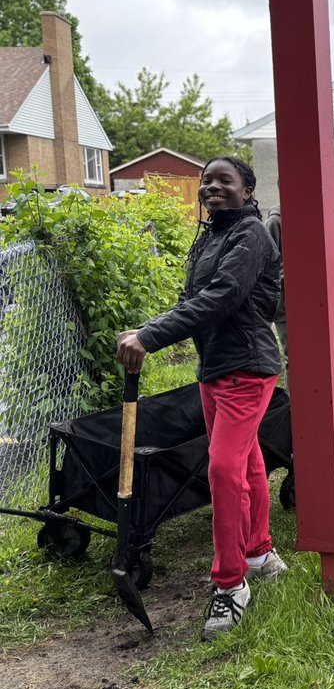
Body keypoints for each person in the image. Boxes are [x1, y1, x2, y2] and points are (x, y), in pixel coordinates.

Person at [115, 156, 288, 641]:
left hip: (247, 369)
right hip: (215, 368)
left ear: (248, 190)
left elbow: (224, 296)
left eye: (225, 181)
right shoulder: (211, 235)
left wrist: (150, 337)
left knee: (221, 467)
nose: (213, 187)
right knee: (247, 460)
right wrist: (147, 328)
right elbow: (195, 299)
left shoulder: (251, 234)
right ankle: (258, 551)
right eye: (207, 180)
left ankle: (231, 582)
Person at [263, 205, 287, 356]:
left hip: (310, 300)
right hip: (285, 302)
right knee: (293, 354)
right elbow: (266, 265)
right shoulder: (275, 222)